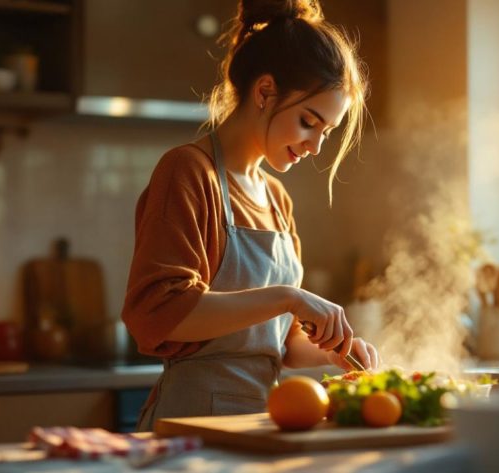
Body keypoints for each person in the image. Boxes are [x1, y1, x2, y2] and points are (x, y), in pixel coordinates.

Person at [121, 0, 379, 432]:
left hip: (262, 424)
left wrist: (332, 351)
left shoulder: (276, 197)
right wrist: (288, 297)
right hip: (191, 425)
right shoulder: (187, 171)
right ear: (264, 92)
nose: (315, 146)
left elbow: (282, 344)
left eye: (326, 133)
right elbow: (159, 313)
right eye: (308, 122)